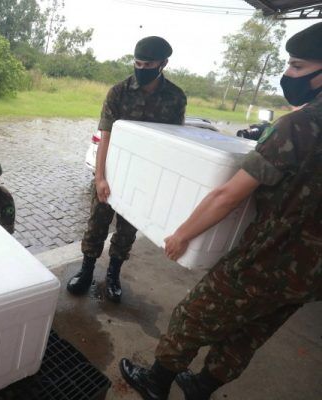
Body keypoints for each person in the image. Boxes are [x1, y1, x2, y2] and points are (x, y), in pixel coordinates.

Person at [120, 22, 322, 400]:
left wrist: (182, 234)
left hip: (267, 259)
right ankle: (202, 386)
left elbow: (228, 195)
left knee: (193, 317)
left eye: (296, 66)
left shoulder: (299, 126)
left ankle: (156, 382)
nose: (288, 74)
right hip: (311, 276)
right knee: (251, 333)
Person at [67, 36, 187, 303]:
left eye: (149, 64)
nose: (141, 68)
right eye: (138, 62)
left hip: (143, 179)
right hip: (112, 171)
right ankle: (86, 270)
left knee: (127, 230)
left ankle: (113, 275)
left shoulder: (175, 97)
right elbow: (105, 136)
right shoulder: (118, 92)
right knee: (97, 223)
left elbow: (173, 143)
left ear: (163, 64)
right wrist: (100, 178)